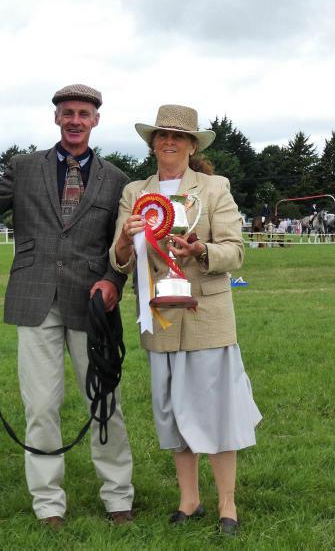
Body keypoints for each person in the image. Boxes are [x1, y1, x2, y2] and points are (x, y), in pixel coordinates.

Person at [0, 84, 134, 528]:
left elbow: (122, 244)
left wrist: (113, 281)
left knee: (105, 402)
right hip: (35, 300)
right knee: (42, 407)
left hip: (92, 304)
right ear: (56, 118)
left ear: (96, 120)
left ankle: (118, 496)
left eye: (83, 113)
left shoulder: (117, 180)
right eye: (67, 112)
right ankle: (49, 503)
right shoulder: (24, 167)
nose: (74, 120)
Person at [110, 104, 261, 536]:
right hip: (160, 318)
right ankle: (189, 500)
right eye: (162, 135)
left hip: (207, 317)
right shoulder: (135, 192)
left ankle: (227, 504)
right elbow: (119, 259)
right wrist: (125, 240)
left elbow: (235, 250)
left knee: (217, 411)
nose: (169, 142)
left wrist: (201, 251)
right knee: (172, 411)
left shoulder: (214, 188)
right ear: (152, 144)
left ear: (193, 146)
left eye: (178, 136)